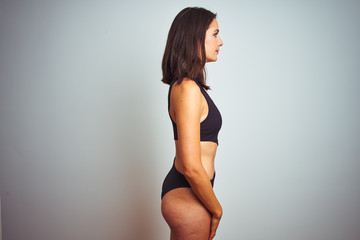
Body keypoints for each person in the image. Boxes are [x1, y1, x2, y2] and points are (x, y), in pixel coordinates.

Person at [160, 7, 224, 240]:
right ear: (195, 37)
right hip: (187, 195)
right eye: (215, 34)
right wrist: (217, 209)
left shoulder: (189, 86)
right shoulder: (186, 88)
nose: (221, 41)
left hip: (192, 193)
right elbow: (190, 166)